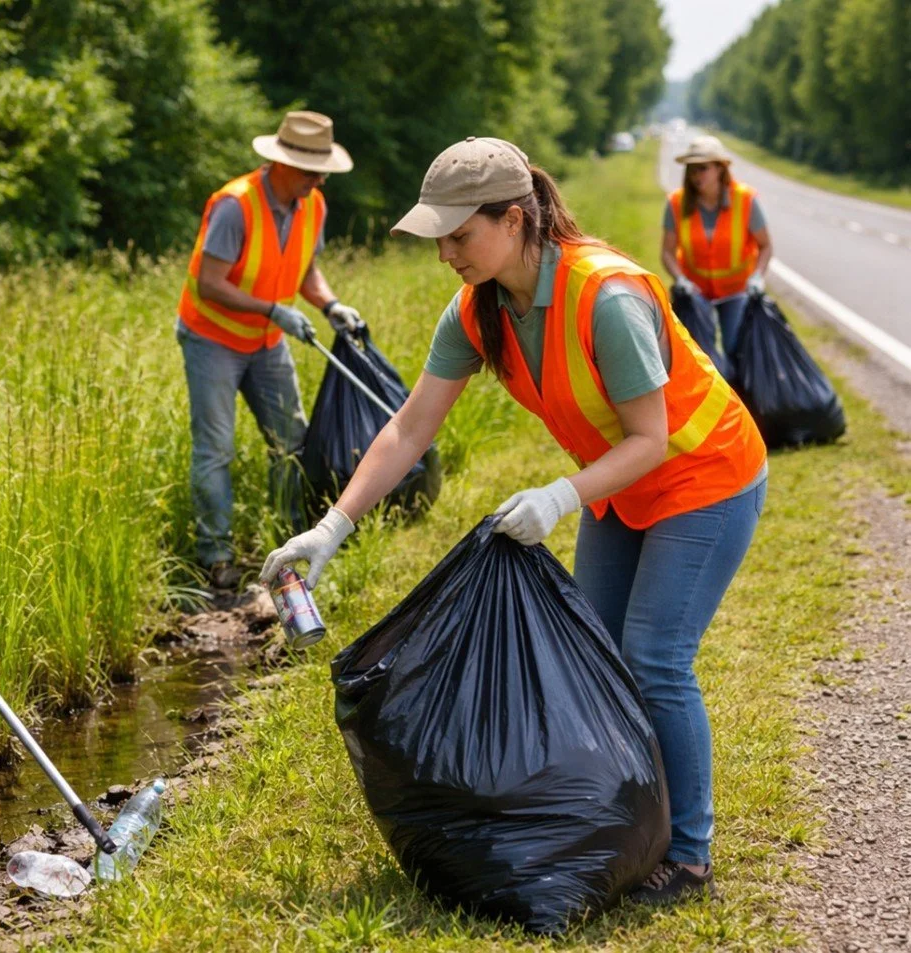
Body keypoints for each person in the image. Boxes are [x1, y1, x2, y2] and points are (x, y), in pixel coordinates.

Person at [263, 136, 769, 906]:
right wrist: (332, 525)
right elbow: (408, 428)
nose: (447, 255)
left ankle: (690, 855)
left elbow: (651, 439)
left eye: (459, 235)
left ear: (515, 218)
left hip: (705, 475)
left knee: (655, 657)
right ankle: (631, 822)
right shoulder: (477, 309)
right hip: (620, 487)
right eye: (440, 238)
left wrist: (559, 497)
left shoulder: (608, 296)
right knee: (596, 655)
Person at [177, 110, 363, 590]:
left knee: (292, 442)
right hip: (212, 339)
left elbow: (305, 273)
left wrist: (331, 305)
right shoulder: (235, 206)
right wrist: (274, 311)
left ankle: (287, 539)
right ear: (281, 163)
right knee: (216, 449)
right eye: (310, 169)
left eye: (323, 170)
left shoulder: (313, 205)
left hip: (266, 342)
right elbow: (210, 284)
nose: (319, 179)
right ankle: (217, 557)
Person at [661, 134, 773, 368]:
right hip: (695, 291)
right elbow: (667, 252)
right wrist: (680, 279)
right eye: (692, 169)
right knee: (701, 355)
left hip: (736, 290)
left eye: (703, 168)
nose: (696, 175)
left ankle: (741, 397)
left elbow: (765, 246)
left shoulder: (745, 200)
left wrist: (757, 277)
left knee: (735, 348)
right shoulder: (676, 203)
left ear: (720, 169)